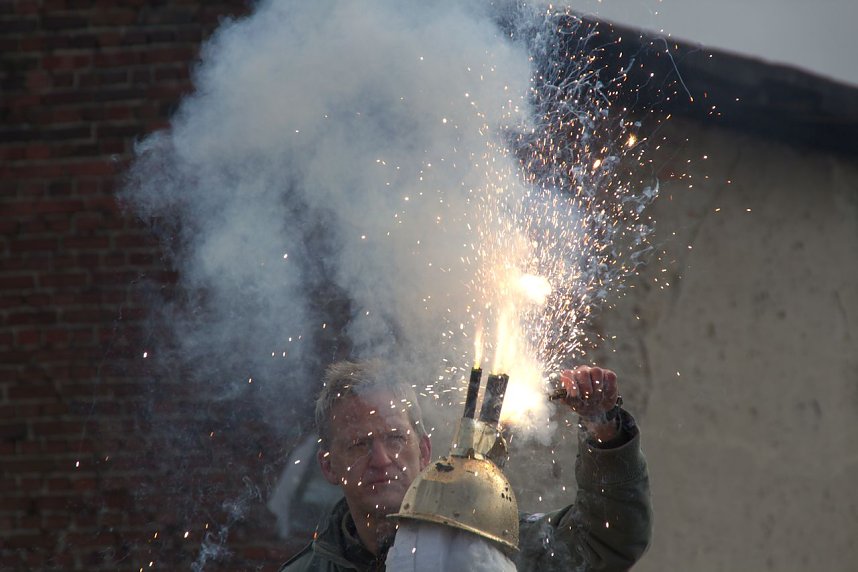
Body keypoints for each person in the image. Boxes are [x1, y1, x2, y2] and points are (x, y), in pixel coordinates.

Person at [279, 360, 652, 571]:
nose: (381, 459)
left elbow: (606, 539)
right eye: (359, 444)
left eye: (395, 438)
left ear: (424, 450)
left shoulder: (493, 542)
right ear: (329, 466)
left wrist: (604, 431)